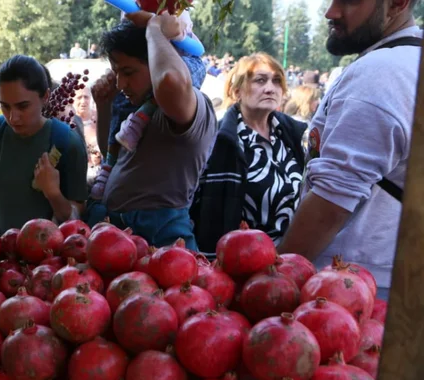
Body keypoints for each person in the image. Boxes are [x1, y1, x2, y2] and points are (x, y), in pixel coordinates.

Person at [278, 0, 422, 301]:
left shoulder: (382, 73)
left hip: (349, 293)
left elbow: (329, 206)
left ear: (397, 3)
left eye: (349, 1)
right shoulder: (409, 62)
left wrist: (275, 280)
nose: (330, 12)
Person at [86, 14, 217, 250]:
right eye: (116, 72)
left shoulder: (187, 105)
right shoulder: (141, 112)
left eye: (128, 72)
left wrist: (156, 30)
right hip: (120, 235)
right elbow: (114, 156)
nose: (120, 83)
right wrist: (104, 107)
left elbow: (170, 79)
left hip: (161, 241)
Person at [191, 53, 307, 258]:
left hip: (290, 260)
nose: (270, 88)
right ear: (237, 91)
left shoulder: (293, 137)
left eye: (277, 81)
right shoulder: (217, 141)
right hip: (240, 262)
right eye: (260, 80)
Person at [0, 55, 89, 234]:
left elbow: (75, 218)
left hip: (49, 258)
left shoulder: (68, 142)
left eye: (23, 106)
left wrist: (53, 193)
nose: (13, 117)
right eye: (5, 106)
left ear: (45, 96)